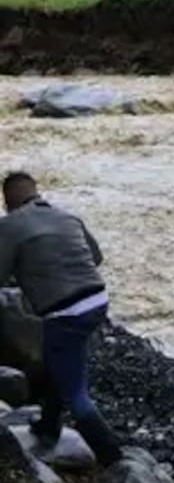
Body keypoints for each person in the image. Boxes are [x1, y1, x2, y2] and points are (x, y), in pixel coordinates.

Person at [0, 172, 121, 466]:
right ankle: (48, 424)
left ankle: (113, 456)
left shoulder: (10, 225)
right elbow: (96, 257)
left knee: (76, 391)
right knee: (59, 360)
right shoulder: (67, 216)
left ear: (8, 200)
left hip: (65, 312)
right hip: (97, 301)